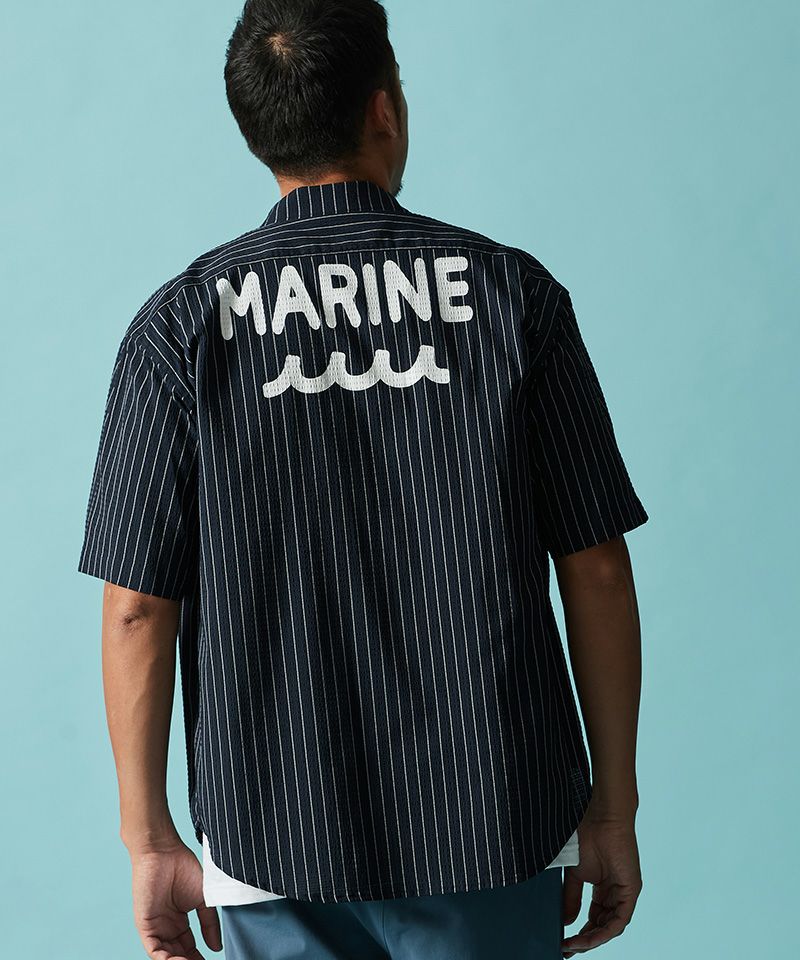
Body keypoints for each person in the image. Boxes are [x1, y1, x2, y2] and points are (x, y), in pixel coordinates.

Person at [77, 1, 649, 957]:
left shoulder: (179, 328)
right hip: (496, 821)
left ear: (258, 130)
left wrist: (148, 839)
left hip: (270, 835)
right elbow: (596, 567)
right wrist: (613, 805)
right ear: (384, 108)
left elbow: (137, 605)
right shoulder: (513, 296)